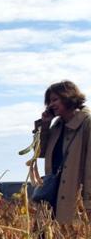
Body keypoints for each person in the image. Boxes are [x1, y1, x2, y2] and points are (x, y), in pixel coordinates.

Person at [33, 80, 91, 224]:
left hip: (75, 197)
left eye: (55, 99)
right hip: (53, 195)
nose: (51, 105)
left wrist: (88, 202)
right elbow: (40, 153)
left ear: (68, 97)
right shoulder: (57, 126)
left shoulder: (87, 124)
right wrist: (45, 126)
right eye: (49, 101)